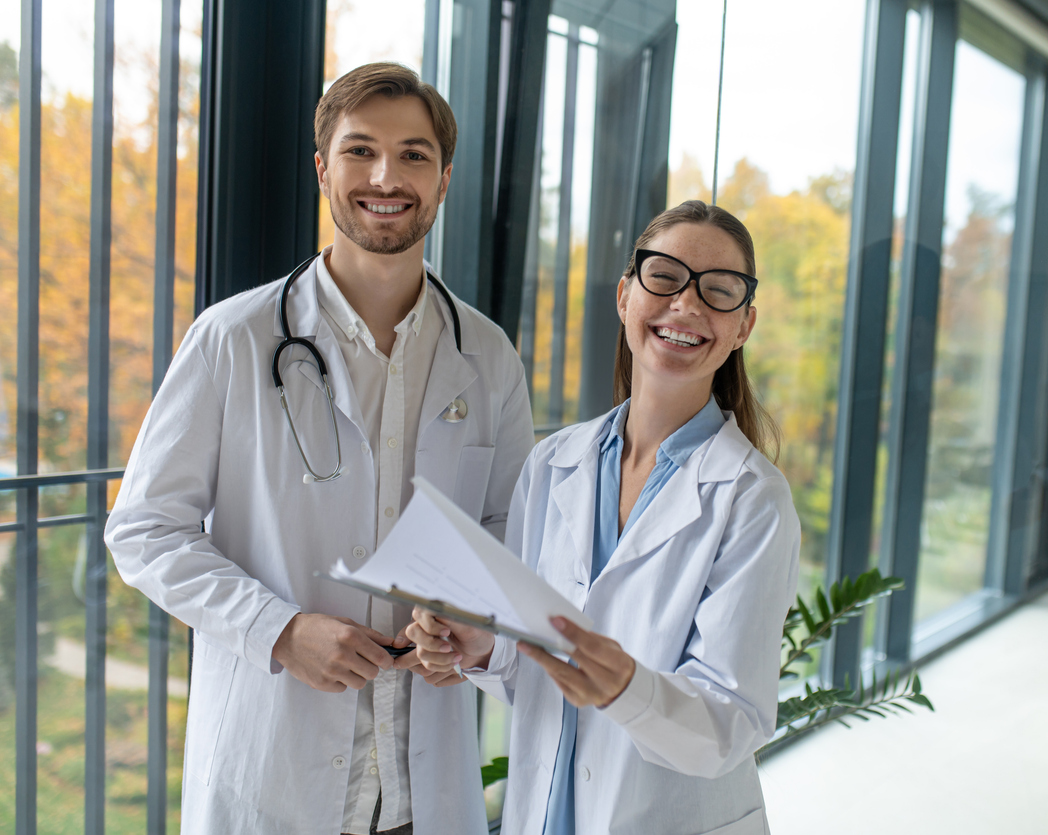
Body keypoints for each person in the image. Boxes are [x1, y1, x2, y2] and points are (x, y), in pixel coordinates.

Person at [104, 63, 534, 835]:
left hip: (418, 791)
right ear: (322, 169)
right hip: (274, 778)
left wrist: (470, 623)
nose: (385, 176)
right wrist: (278, 629)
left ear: (442, 180)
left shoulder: (489, 356)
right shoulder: (233, 339)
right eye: (359, 150)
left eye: (413, 155)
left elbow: (507, 532)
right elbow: (142, 531)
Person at [408, 200, 802, 834]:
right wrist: (481, 646)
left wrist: (628, 689)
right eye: (665, 277)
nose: (687, 305)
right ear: (625, 296)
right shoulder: (553, 462)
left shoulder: (751, 498)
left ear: (743, 326)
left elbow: (732, 724)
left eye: (719, 292)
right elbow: (534, 667)